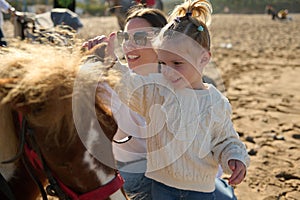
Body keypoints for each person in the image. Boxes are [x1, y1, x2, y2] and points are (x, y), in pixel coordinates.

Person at [83, 5, 239, 200]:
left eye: (140, 38)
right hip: (143, 177)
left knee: (225, 197)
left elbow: (221, 139)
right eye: (125, 37)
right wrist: (94, 63)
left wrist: (232, 158)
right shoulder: (116, 84)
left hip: (195, 181)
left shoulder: (201, 91)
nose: (129, 45)